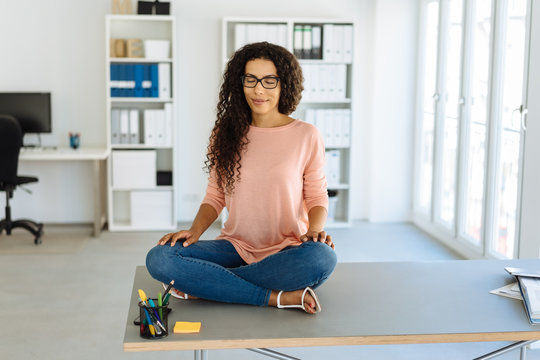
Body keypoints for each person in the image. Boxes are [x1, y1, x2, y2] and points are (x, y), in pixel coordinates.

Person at [146, 42, 337, 314]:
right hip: (234, 248)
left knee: (322, 257)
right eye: (251, 79)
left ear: (285, 84)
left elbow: (316, 195)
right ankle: (275, 297)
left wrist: (314, 230)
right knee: (160, 259)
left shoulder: (306, 135)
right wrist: (194, 232)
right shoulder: (225, 133)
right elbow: (215, 196)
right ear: (240, 83)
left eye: (269, 80)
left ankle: (208, 285)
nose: (259, 89)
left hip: (287, 249)